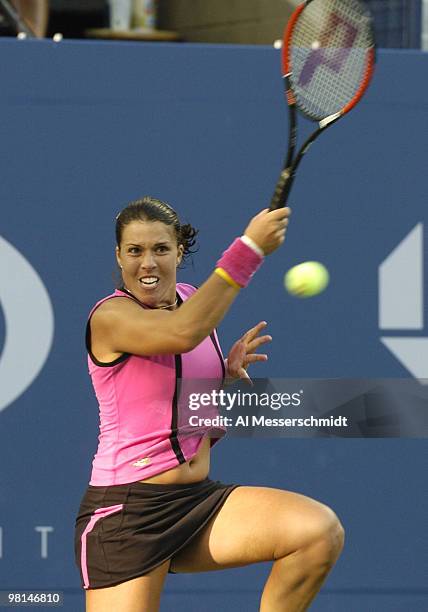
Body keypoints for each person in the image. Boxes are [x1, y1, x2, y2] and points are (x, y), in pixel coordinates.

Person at [74, 196, 344, 612]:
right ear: (118, 256)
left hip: (194, 503)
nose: (148, 263)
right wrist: (249, 249)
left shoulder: (190, 297)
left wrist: (221, 371)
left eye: (160, 249)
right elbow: (181, 333)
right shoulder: (111, 318)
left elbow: (174, 382)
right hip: (127, 514)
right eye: (135, 251)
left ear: (179, 251)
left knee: (316, 532)